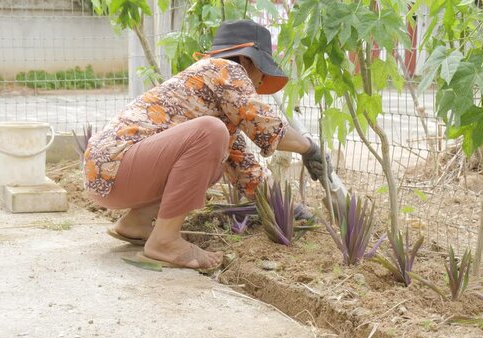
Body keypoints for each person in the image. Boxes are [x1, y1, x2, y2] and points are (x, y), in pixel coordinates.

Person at [83, 19, 330, 272]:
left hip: (111, 175)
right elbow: (262, 124)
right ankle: (165, 241)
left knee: (215, 152)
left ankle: (137, 223)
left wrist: (288, 209)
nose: (259, 82)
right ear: (246, 61)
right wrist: (309, 148)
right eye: (261, 71)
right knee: (211, 132)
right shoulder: (224, 69)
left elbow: (247, 171)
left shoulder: (213, 105)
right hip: (118, 166)